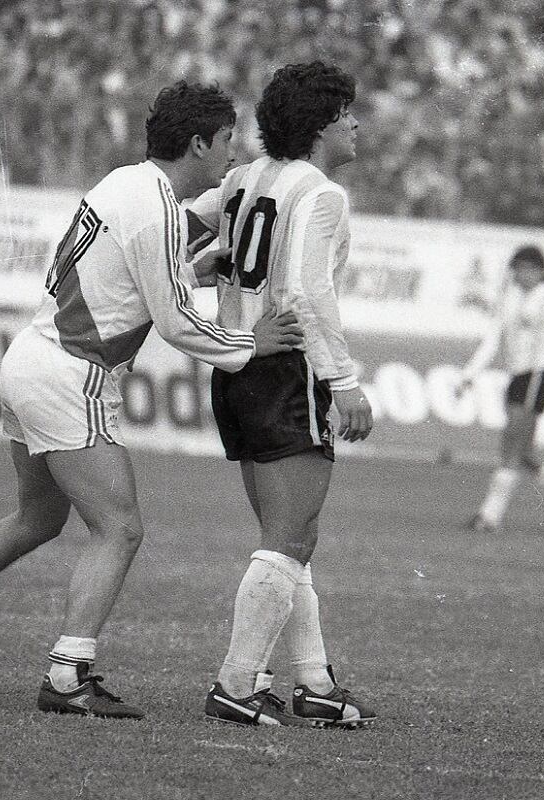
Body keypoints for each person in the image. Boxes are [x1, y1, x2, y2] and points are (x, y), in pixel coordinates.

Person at [0, 81, 301, 719]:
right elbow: (178, 321)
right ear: (197, 143)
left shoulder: (128, 182)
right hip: (70, 374)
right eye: (225, 144)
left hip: (33, 357)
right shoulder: (155, 207)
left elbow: (147, 256)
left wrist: (206, 249)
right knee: (120, 527)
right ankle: (68, 675)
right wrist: (252, 342)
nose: (230, 156)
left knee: (38, 520)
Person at [186, 62, 377, 728]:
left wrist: (202, 274)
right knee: (287, 540)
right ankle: (236, 684)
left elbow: (183, 236)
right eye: (347, 112)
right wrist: (343, 381)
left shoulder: (242, 177)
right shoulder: (320, 193)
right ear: (323, 124)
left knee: (288, 537)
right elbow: (305, 290)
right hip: (286, 367)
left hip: (237, 368)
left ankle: (315, 683)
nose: (356, 124)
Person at [459, 244, 544, 534]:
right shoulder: (509, 297)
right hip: (516, 377)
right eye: (516, 269)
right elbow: (493, 338)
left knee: (511, 445)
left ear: (539, 271)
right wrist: (469, 374)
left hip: (537, 377)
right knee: (523, 451)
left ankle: (489, 517)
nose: (520, 275)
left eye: (526, 269)